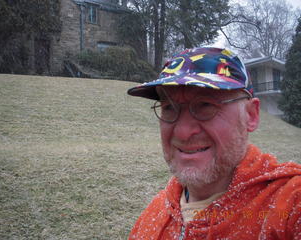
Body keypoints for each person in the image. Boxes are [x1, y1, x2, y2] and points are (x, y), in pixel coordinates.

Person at [126, 47, 301, 240]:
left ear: (250, 115)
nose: (183, 133)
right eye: (169, 108)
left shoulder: (289, 204)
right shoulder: (155, 213)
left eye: (206, 105)